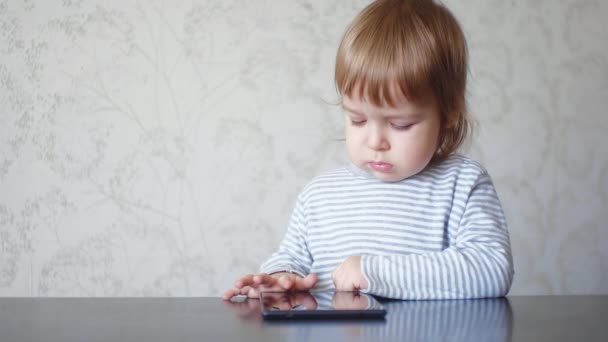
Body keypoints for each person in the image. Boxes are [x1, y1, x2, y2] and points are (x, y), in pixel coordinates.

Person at [223, 0, 514, 301]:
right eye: (358, 119)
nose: (375, 141)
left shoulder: (462, 184)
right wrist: (280, 278)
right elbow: (292, 258)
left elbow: (491, 268)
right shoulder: (319, 196)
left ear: (449, 113)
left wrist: (374, 272)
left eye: (400, 124)